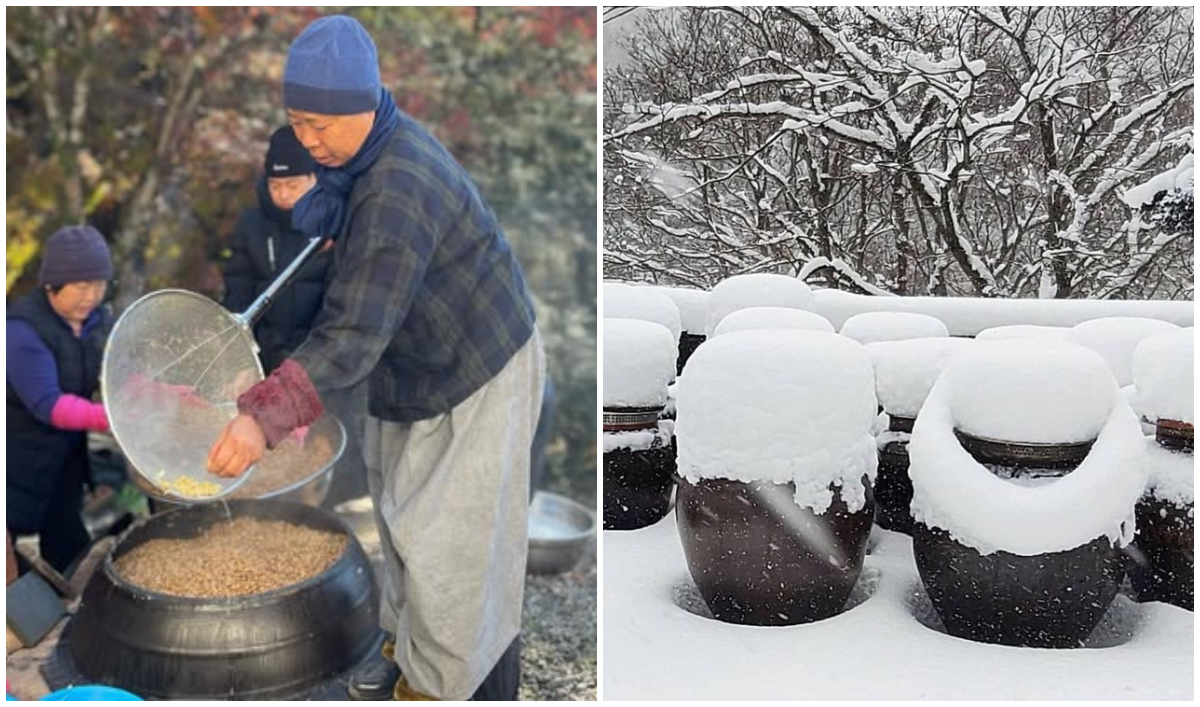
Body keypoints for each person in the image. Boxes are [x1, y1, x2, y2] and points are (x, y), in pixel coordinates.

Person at [206, 14, 545, 702]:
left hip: (477, 366)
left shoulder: (397, 185)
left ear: (364, 101)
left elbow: (352, 332)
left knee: (449, 545)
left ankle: (447, 684)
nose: (307, 139)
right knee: (399, 516)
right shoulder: (361, 157)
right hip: (414, 361)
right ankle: (405, 652)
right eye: (296, 122)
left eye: (319, 125)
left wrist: (261, 418)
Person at [221, 126, 369, 508]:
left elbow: (342, 311)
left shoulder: (333, 227)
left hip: (320, 367)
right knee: (269, 452)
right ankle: (268, 513)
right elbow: (237, 294)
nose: (284, 195)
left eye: (294, 185)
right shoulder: (251, 227)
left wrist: (306, 366)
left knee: (330, 454)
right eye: (276, 185)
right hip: (266, 361)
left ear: (314, 179)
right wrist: (240, 358)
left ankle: (335, 513)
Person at [7, 225, 114, 576]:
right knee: (11, 561)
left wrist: (158, 397)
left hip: (64, 459)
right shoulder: (21, 331)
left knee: (71, 550)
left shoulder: (98, 321)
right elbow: (47, 404)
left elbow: (119, 373)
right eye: (82, 286)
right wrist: (113, 417)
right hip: (16, 458)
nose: (91, 296)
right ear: (52, 283)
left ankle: (69, 613)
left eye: (99, 285)